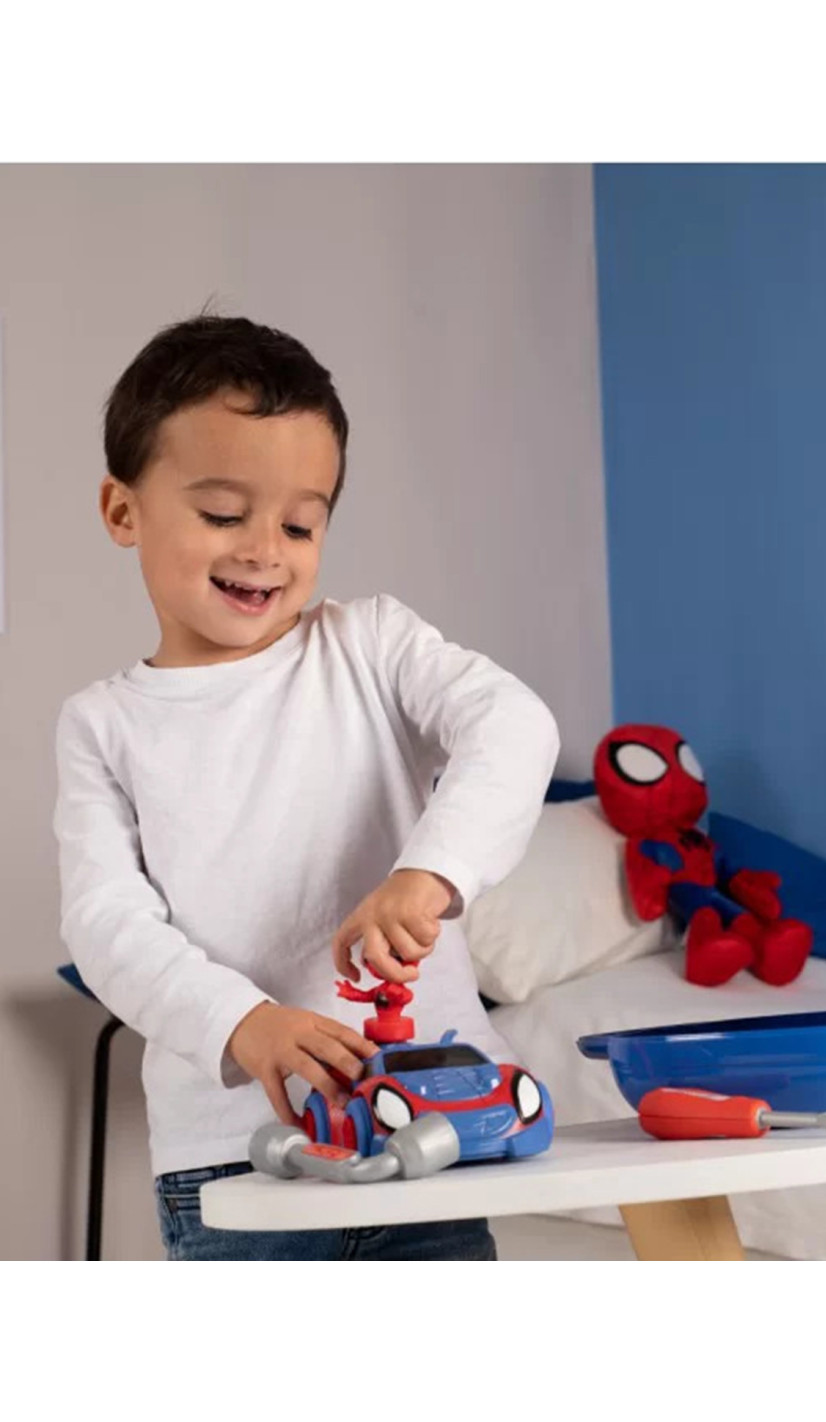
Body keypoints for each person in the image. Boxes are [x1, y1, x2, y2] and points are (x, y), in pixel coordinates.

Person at [52, 314, 560, 1260]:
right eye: (222, 514)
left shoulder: (371, 645)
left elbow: (513, 724)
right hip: (234, 1155)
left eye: (299, 524)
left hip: (431, 1133)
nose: (265, 550)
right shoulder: (104, 725)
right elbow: (107, 926)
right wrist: (243, 1024)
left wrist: (430, 875)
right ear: (123, 512)